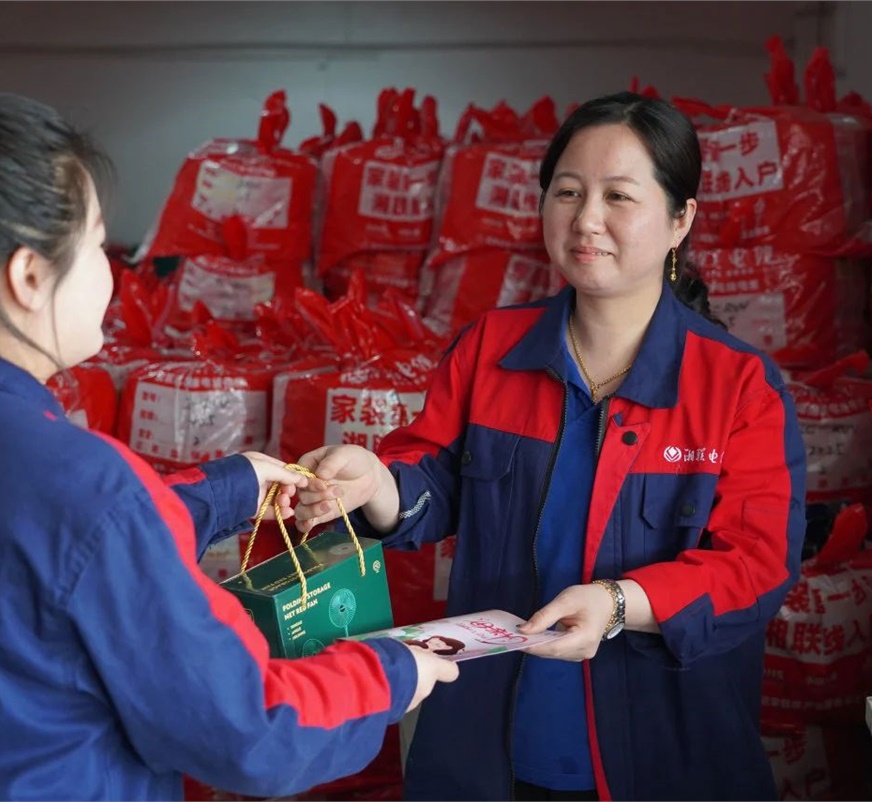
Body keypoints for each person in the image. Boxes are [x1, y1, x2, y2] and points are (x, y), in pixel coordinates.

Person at [0, 91, 458, 801]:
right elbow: (250, 730)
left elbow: (42, 555)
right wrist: (390, 670)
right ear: (28, 276)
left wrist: (229, 490)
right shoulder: (81, 486)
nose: (110, 271)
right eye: (96, 246)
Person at [293, 92, 807, 801]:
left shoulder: (738, 385)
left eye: (618, 196)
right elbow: (432, 478)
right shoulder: (492, 348)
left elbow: (757, 563)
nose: (586, 218)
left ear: (680, 219)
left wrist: (621, 603)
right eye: (567, 192)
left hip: (663, 750)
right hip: (492, 745)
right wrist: (375, 482)